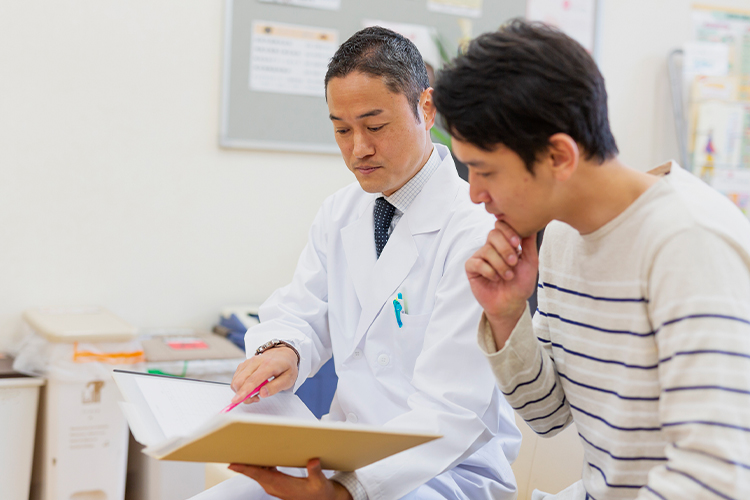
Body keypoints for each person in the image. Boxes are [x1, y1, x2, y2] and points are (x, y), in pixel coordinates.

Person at [191, 26, 521, 500]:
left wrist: (351, 492)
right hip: (343, 455)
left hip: (442, 474)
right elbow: (304, 312)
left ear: (425, 109)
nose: (357, 149)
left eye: (375, 126)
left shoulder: (474, 230)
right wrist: (284, 350)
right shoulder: (341, 212)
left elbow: (453, 412)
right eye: (342, 130)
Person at [433, 19, 750, 499]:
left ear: (559, 155)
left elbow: (713, 477)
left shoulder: (688, 242)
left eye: (484, 171)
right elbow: (548, 414)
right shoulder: (561, 235)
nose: (475, 194)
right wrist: (506, 315)